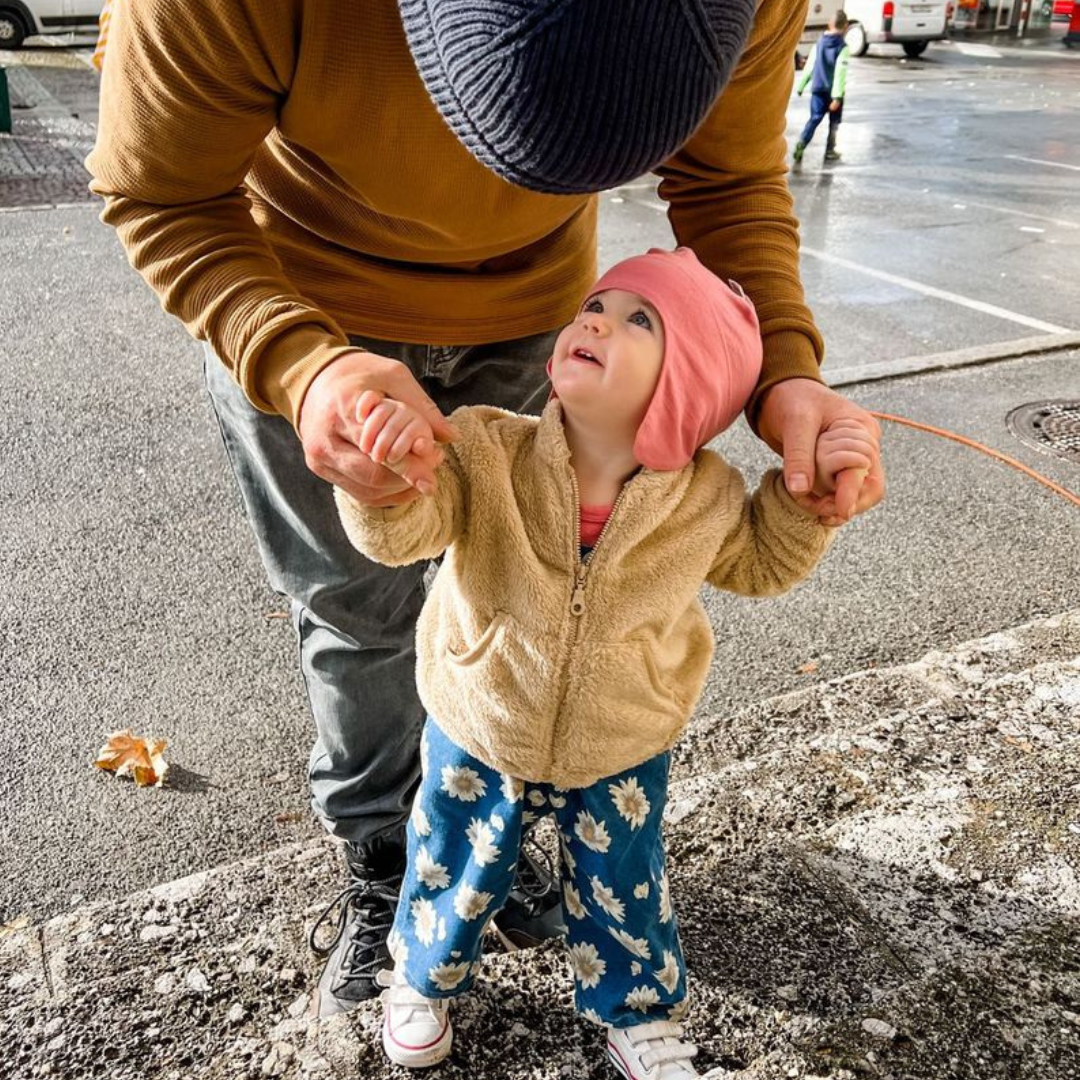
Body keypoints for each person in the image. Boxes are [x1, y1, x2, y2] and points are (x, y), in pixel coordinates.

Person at [86, 0, 884, 1020]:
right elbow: (159, 190)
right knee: (353, 609)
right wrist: (301, 366)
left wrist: (788, 380)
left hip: (534, 317)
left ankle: (483, 835)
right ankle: (386, 851)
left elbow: (729, 183)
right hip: (299, 298)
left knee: (511, 585)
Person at [334, 248, 873, 1075]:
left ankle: (637, 1010)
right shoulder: (485, 448)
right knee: (451, 856)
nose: (596, 320)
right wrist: (383, 482)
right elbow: (405, 535)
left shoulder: (710, 496)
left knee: (625, 880)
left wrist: (805, 506)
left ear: (687, 386)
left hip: (621, 736)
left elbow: (760, 565)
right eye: (598, 303)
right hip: (485, 717)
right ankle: (421, 978)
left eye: (639, 320)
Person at [794, 11, 852, 164]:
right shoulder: (843, 47)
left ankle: (802, 143)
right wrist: (837, 97)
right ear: (845, 26)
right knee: (834, 123)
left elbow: (810, 66)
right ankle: (830, 150)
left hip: (817, 89)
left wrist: (801, 85)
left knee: (814, 119)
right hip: (833, 92)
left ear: (829, 24)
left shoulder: (818, 43)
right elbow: (840, 73)